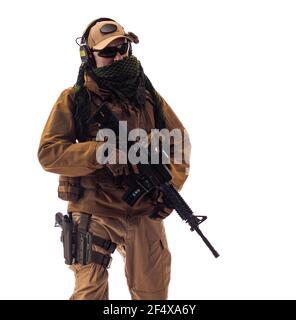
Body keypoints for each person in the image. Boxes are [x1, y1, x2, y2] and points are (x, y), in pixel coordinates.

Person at [37, 17, 191, 300]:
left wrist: (170, 188)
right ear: (89, 56)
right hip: (94, 209)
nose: (119, 56)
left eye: (123, 49)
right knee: (90, 291)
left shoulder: (147, 97)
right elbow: (49, 153)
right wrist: (98, 152)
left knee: (153, 293)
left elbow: (179, 142)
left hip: (144, 208)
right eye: (108, 51)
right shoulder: (74, 99)